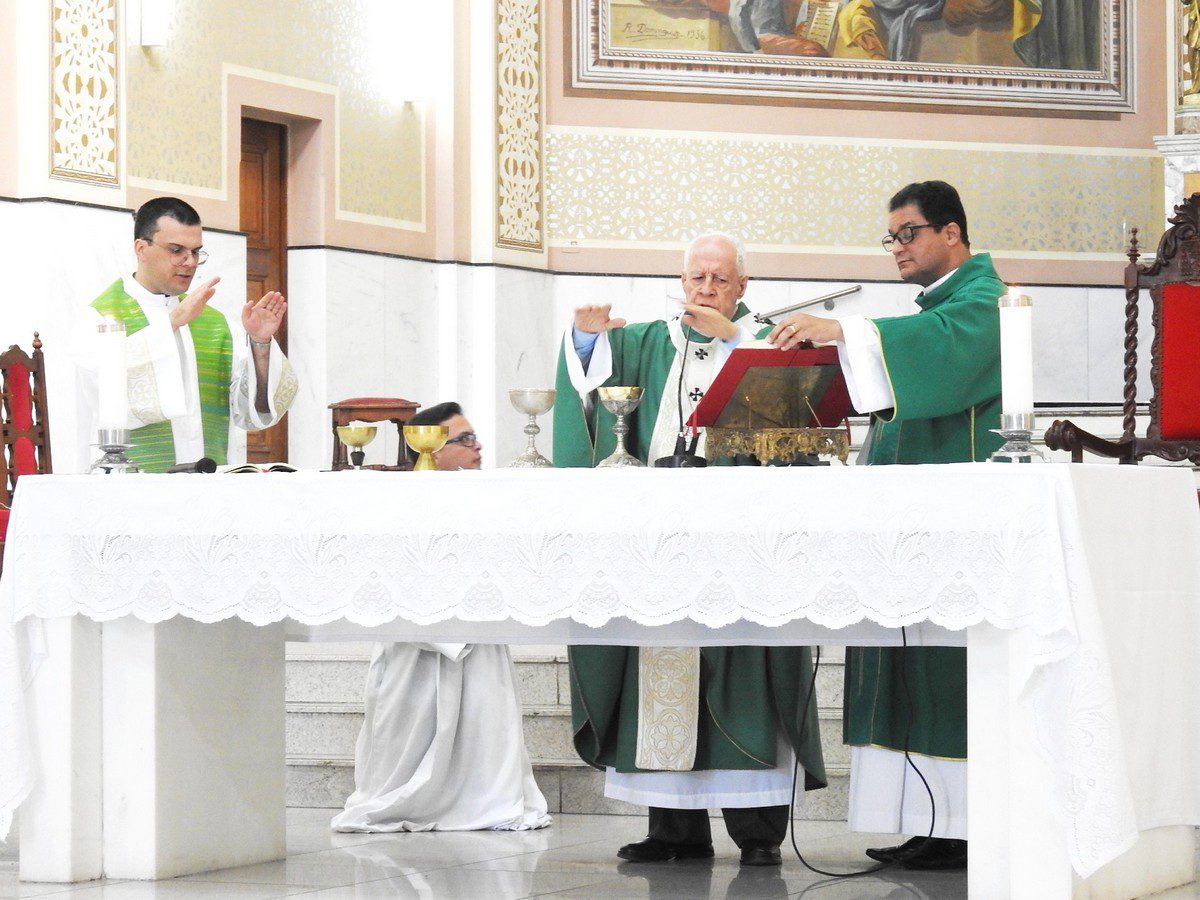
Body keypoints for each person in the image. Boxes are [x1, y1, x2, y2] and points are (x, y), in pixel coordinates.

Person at [553, 232, 827, 868]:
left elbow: (794, 426)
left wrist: (736, 342)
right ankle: (674, 831)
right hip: (660, 538)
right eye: (696, 277)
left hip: (741, 540)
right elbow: (590, 382)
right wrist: (588, 341)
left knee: (747, 670)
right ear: (681, 282)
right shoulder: (648, 342)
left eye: (720, 278)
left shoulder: (767, 341)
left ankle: (758, 832)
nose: (706, 288)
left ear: (742, 287)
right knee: (662, 663)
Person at [768, 180, 1003, 871]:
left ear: (951, 233)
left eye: (908, 234)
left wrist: (846, 331)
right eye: (891, 237)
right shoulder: (938, 307)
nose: (897, 248)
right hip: (907, 526)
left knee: (941, 670)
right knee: (903, 665)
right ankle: (923, 820)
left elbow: (940, 352)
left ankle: (961, 825)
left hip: (954, 526)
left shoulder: (986, 302)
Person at [333, 402, 550, 833]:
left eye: (475, 436)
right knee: (404, 730)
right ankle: (403, 799)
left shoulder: (488, 499)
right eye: (464, 439)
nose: (477, 446)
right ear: (426, 447)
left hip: (478, 636)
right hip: (414, 644)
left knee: (484, 726)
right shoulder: (398, 504)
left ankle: (482, 800)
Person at [73, 196, 296, 473]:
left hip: (208, 484)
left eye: (195, 252)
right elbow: (103, 392)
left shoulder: (217, 325)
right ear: (141, 249)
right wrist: (171, 323)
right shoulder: (102, 318)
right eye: (176, 250)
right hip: (131, 486)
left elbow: (253, 412)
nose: (189, 262)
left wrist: (260, 344)